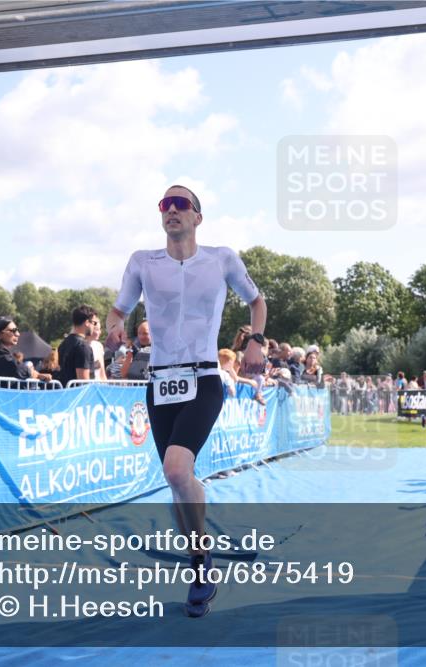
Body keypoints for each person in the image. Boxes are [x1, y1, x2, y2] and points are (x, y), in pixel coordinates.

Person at [106, 184, 266, 617]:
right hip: (160, 383)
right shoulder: (143, 262)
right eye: (165, 204)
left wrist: (257, 342)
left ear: (197, 216)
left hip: (203, 378)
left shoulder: (221, 259)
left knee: (176, 470)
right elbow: (118, 310)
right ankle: (201, 554)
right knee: (179, 482)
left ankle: (201, 563)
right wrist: (114, 325)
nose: (172, 210)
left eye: (181, 205)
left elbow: (257, 300)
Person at [0, 315, 53, 385]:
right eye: (13, 331)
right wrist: (36, 374)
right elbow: (18, 369)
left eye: (17, 330)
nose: (18, 334)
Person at [56, 306, 97, 386]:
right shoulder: (83, 346)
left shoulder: (64, 343)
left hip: (63, 393)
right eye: (94, 323)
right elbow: (83, 382)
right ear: (87, 322)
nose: (94, 326)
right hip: (77, 396)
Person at [87, 313, 107, 381]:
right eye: (97, 330)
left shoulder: (99, 346)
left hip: (99, 385)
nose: (100, 332)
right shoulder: (81, 346)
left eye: (100, 329)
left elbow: (102, 372)